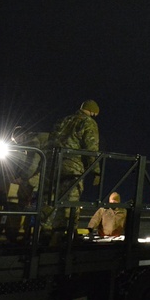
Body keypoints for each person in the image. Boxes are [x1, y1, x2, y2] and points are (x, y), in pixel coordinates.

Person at [43, 99, 100, 244]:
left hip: (51, 167)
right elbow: (91, 148)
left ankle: (44, 235)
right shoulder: (87, 122)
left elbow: (49, 142)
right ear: (93, 112)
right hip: (72, 169)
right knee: (70, 205)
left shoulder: (62, 120)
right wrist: (96, 171)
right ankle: (65, 240)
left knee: (50, 202)